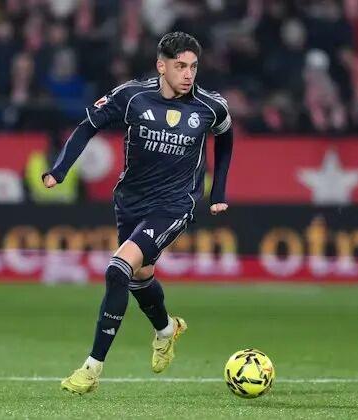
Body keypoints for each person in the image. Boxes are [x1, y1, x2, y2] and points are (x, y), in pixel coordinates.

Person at [42, 31, 233, 395]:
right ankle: (166, 329)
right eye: (180, 66)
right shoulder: (132, 97)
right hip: (130, 202)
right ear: (161, 66)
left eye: (193, 67)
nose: (188, 74)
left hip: (176, 204)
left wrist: (218, 190)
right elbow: (88, 125)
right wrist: (60, 170)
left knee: (118, 269)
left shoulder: (210, 106)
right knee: (140, 275)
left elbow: (226, 136)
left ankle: (92, 368)